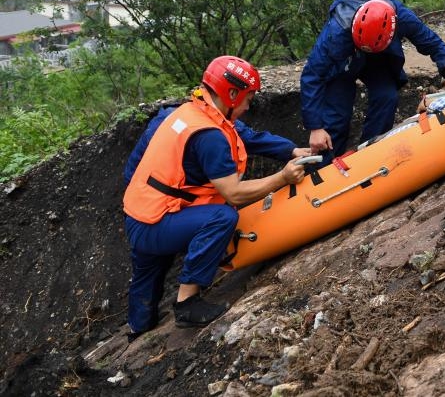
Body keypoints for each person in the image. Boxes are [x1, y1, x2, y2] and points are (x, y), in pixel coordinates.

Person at [122, 56, 311, 337]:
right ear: (231, 93)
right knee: (222, 217)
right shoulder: (209, 135)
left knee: (147, 278)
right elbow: (233, 192)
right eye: (248, 98)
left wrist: (289, 150)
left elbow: (245, 136)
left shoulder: (190, 112)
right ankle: (187, 303)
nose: (248, 106)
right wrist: (282, 178)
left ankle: (138, 330)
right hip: (157, 219)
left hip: (142, 211)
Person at [301, 0, 445, 159]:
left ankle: (370, 153)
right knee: (336, 117)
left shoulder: (402, 18)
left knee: (387, 96)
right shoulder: (336, 33)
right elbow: (312, 76)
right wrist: (315, 127)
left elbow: (432, 43)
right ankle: (325, 169)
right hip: (346, 58)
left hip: (378, 58)